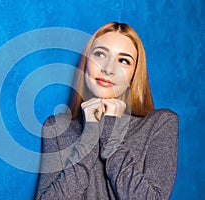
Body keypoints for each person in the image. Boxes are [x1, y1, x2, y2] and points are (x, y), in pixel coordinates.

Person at [35, 22, 178, 200]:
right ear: (86, 62)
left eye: (123, 60)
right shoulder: (58, 127)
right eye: (100, 54)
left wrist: (112, 140)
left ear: (134, 75)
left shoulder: (160, 123)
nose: (108, 69)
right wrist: (90, 135)